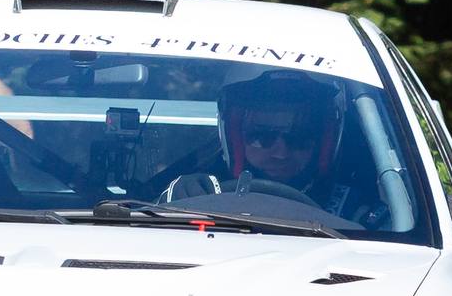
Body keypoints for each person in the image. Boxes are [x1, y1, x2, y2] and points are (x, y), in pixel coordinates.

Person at [159, 69, 381, 224]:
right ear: (233, 135)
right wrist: (174, 200)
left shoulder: (357, 210)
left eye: (300, 138)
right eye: (262, 137)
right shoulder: (195, 193)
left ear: (325, 141)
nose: (280, 153)